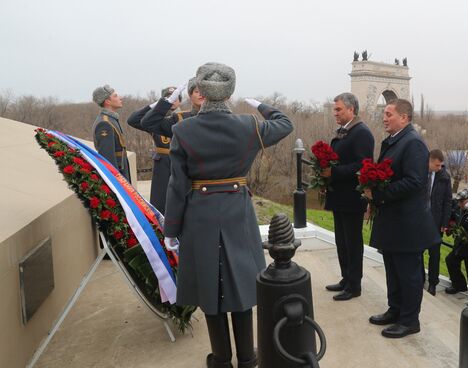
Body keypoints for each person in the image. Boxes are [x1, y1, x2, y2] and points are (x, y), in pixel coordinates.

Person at [163, 62, 293, 368]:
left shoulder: (182, 130)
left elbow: (177, 185)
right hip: (238, 212)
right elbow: (284, 123)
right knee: (242, 285)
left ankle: (221, 358)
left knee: (210, 288)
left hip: (200, 215)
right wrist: (260, 105)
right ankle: (247, 358)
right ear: (230, 91)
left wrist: (171, 227)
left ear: (201, 90)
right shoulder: (248, 127)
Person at [364, 99, 435, 338]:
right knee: (393, 269)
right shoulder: (395, 141)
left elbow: (415, 181)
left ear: (404, 118)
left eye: (389, 114)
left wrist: (379, 194)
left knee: (409, 273)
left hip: (408, 223)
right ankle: (395, 310)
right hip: (394, 220)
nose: (384, 118)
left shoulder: (413, 143)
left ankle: (409, 320)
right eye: (384, 113)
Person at [322, 92, 374, 301]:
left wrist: (333, 172)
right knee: (342, 241)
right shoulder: (345, 131)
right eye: (335, 109)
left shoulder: (361, 133)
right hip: (339, 196)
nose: (335, 113)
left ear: (351, 110)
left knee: (352, 242)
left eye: (338, 109)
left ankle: (355, 285)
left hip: (352, 197)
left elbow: (363, 165)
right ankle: (346, 279)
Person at [127, 85, 185, 213]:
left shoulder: (185, 117)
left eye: (175, 97)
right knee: (160, 200)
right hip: (162, 162)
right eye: (169, 97)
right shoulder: (154, 119)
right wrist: (153, 106)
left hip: (181, 160)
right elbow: (133, 120)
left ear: (180, 100)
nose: (173, 100)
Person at [423, 149, 452, 296]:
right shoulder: (419, 172)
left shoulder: (444, 177)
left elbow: (448, 202)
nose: (440, 168)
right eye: (437, 165)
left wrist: (444, 223)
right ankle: (420, 278)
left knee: (434, 254)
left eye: (441, 165)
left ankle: (433, 283)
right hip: (419, 219)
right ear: (429, 161)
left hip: (436, 221)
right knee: (417, 251)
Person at [91, 85, 131, 182]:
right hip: (117, 177)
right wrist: (116, 182)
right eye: (115, 96)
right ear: (107, 101)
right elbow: (107, 157)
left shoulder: (111, 119)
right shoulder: (105, 123)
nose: (120, 98)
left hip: (121, 171)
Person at [444, 189, 468, 295]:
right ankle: (459, 285)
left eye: (462, 201)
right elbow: (450, 218)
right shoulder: (457, 209)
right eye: (458, 201)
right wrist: (450, 227)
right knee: (450, 260)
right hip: (459, 244)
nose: (460, 203)